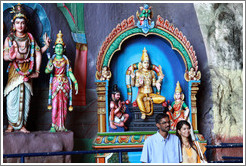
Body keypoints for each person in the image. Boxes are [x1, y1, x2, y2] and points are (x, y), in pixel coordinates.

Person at [3, 3, 50, 133]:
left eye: (22, 23)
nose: (20, 25)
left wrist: (37, 71)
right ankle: (11, 125)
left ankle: (22, 125)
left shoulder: (30, 38)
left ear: (26, 24)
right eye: (17, 23)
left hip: (28, 69)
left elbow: (37, 52)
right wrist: (11, 56)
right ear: (13, 25)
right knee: (12, 97)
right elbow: (5, 55)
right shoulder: (10, 39)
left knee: (25, 97)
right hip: (15, 70)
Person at [45, 30, 78, 132]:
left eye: (61, 48)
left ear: (63, 49)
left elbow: (69, 73)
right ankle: (53, 125)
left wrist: (75, 82)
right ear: (55, 49)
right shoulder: (52, 60)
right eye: (57, 47)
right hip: (55, 83)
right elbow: (46, 71)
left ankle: (62, 126)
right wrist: (49, 68)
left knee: (63, 105)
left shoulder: (66, 60)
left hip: (64, 83)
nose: (59, 49)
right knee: (55, 105)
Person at [133, 48, 166, 119]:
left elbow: (153, 84)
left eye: (147, 63)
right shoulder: (138, 73)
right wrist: (140, 84)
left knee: (163, 98)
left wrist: (159, 80)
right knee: (139, 99)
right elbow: (135, 84)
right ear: (141, 63)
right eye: (145, 63)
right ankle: (143, 113)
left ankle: (148, 99)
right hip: (142, 92)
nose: (146, 64)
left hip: (150, 93)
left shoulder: (152, 72)